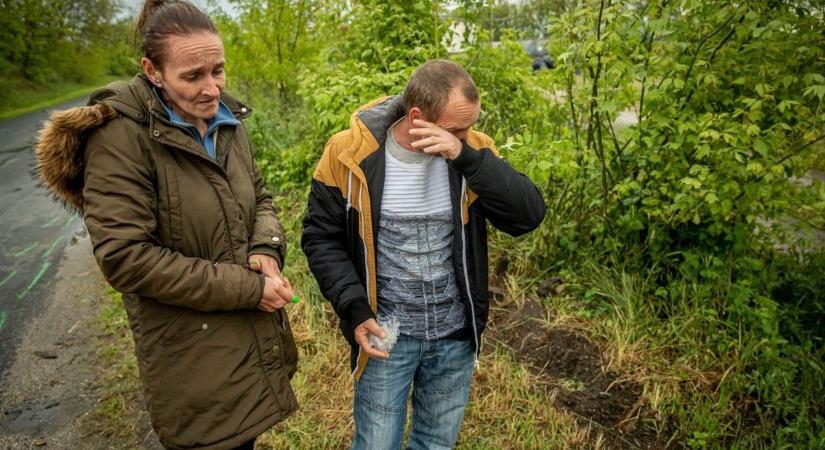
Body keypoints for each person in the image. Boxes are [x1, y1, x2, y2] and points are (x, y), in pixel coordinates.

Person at [35, 1, 298, 448]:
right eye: (192, 75)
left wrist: (266, 248)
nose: (212, 88)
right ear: (152, 71)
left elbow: (260, 196)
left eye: (218, 70)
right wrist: (250, 289)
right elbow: (126, 258)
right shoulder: (119, 137)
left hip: (249, 336)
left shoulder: (226, 121)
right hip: (190, 350)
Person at [301, 59, 546, 449]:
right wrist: (355, 308)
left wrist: (463, 155)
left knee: (435, 444)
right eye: (456, 129)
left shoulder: (474, 150)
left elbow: (527, 216)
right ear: (417, 117)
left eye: (470, 126)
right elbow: (320, 237)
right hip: (386, 338)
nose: (466, 136)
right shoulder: (349, 153)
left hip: (454, 337)